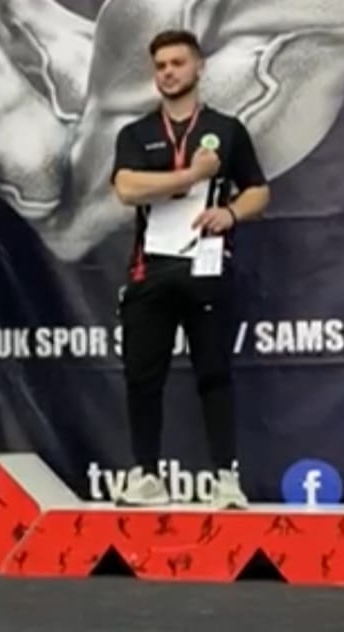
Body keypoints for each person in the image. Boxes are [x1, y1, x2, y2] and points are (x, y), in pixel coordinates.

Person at [111, 30, 270, 508]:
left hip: (207, 267)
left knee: (214, 374)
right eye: (160, 66)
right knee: (143, 377)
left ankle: (225, 479)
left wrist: (232, 212)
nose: (168, 72)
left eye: (177, 63)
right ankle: (146, 476)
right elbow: (127, 189)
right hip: (151, 269)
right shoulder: (136, 133)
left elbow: (258, 190)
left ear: (199, 67)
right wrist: (192, 176)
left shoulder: (226, 129)